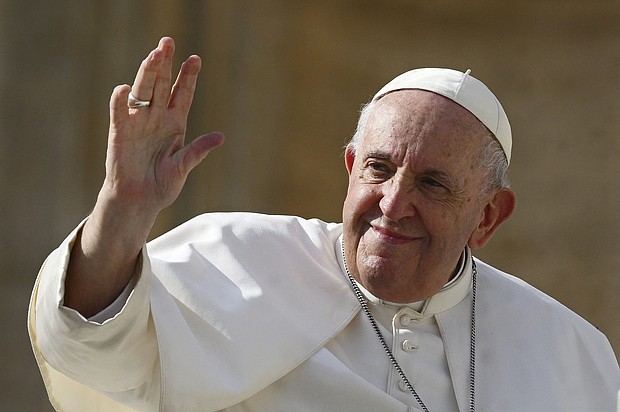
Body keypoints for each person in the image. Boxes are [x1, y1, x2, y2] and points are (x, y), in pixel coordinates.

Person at [29, 37, 619, 412]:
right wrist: (123, 208)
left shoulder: (570, 356)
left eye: (432, 184)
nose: (392, 203)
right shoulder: (237, 259)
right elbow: (89, 350)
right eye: (378, 169)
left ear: (488, 217)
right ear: (348, 169)